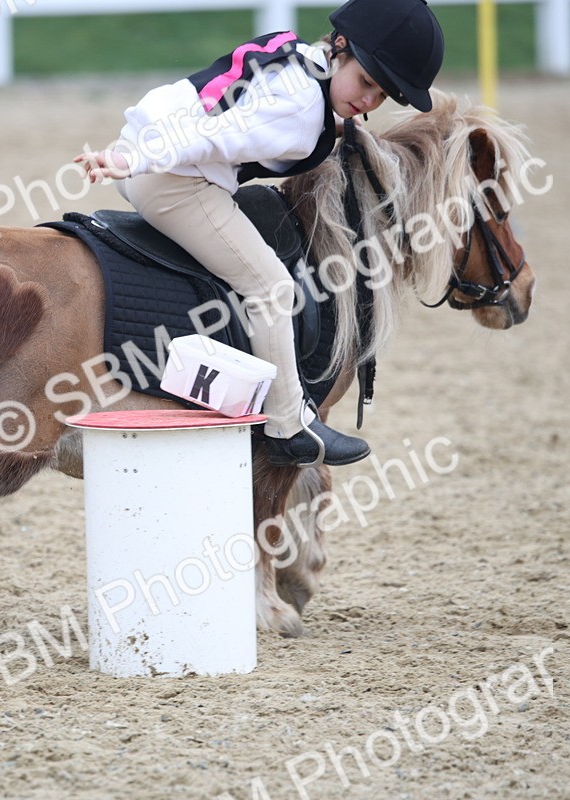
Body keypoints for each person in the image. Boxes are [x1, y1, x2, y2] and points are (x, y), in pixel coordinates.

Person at [76, 0, 445, 467]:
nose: (369, 102)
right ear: (340, 46)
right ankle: (289, 426)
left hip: (157, 151)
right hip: (172, 179)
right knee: (271, 286)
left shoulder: (297, 60)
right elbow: (217, 135)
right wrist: (136, 159)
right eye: (367, 82)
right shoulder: (298, 110)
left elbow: (247, 113)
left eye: (382, 96)